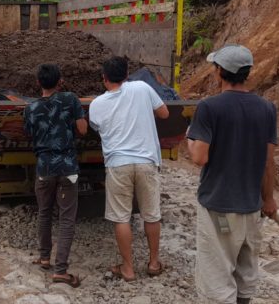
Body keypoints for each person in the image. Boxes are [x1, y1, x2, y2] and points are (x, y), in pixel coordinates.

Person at [186, 45, 278, 304]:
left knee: (217, 276)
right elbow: (268, 162)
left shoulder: (209, 108)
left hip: (218, 206)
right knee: (245, 275)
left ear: (219, 72)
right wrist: (268, 199)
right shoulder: (267, 108)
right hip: (251, 206)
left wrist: (189, 138)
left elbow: (199, 157)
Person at [89, 56, 169, 282]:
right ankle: (154, 263)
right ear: (127, 75)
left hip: (118, 164)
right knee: (152, 214)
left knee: (121, 217)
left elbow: (96, 127)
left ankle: (128, 268)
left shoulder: (97, 104)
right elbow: (164, 114)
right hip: (146, 161)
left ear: (104, 79)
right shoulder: (142, 88)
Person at [23, 64, 87, 287]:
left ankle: (44, 257)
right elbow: (83, 129)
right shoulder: (70, 100)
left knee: (44, 212)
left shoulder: (30, 109)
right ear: (60, 81)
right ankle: (61, 270)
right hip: (68, 166)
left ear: (38, 83)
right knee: (67, 217)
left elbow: (29, 134)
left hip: (44, 168)